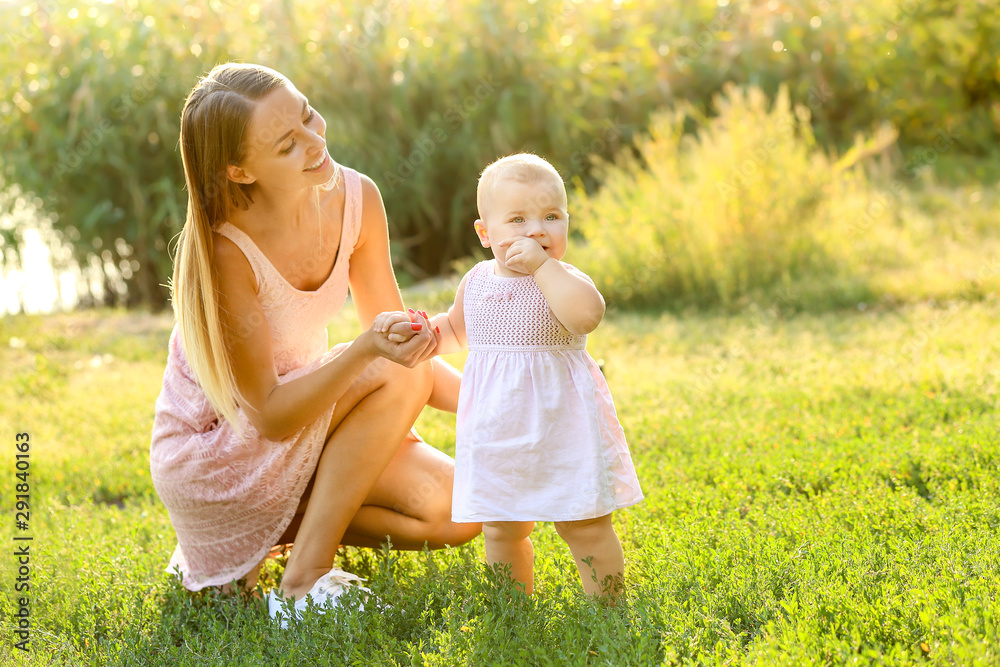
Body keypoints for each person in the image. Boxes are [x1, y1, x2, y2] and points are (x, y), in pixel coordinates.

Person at [149, 63, 479, 625]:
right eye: (287, 144)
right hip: (220, 454)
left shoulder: (357, 198)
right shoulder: (227, 252)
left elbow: (405, 348)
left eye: (307, 115)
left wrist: (513, 391)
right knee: (392, 369)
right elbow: (271, 417)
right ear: (239, 170)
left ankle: (273, 535)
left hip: (310, 420)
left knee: (460, 512)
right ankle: (304, 580)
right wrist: (365, 350)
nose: (314, 141)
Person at [376, 153, 642, 599]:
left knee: (585, 525)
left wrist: (543, 268)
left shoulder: (562, 278)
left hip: (563, 427)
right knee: (501, 528)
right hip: (498, 432)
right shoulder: (477, 282)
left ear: (566, 223)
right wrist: (421, 332)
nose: (536, 230)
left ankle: (608, 608)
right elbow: (456, 329)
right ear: (485, 233)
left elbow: (585, 317)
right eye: (517, 219)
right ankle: (512, 607)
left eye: (551, 217)